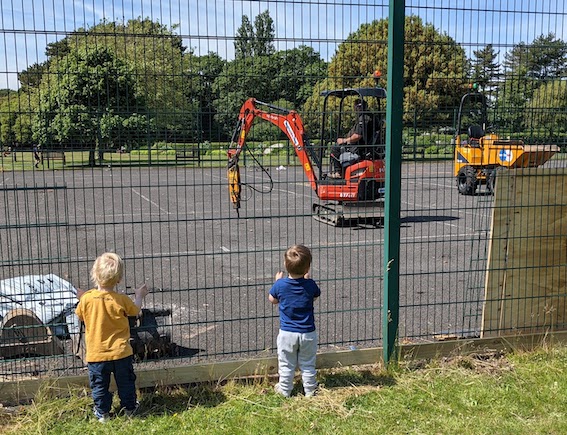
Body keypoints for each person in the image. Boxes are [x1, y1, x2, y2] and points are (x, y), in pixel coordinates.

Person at [75, 252, 149, 423]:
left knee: (99, 385)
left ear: (95, 275)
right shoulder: (121, 299)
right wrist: (139, 295)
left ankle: (103, 413)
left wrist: (82, 298)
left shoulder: (87, 299)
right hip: (121, 352)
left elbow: (80, 315)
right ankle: (130, 408)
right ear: (119, 279)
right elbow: (135, 311)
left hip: (96, 354)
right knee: (126, 383)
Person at [269, 244, 321, 398]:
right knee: (308, 364)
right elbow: (314, 297)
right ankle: (310, 390)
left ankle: (285, 390)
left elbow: (272, 299)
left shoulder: (280, 285)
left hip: (287, 333)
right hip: (307, 333)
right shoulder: (310, 285)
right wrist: (306, 281)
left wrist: (277, 282)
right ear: (307, 269)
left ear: (285, 265)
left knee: (286, 364)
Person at [329, 98, 373, 178]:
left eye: (355, 107)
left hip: (359, 148)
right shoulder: (369, 117)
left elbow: (357, 136)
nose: (355, 109)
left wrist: (345, 140)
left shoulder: (364, 119)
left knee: (335, 148)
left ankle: (338, 173)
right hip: (363, 146)